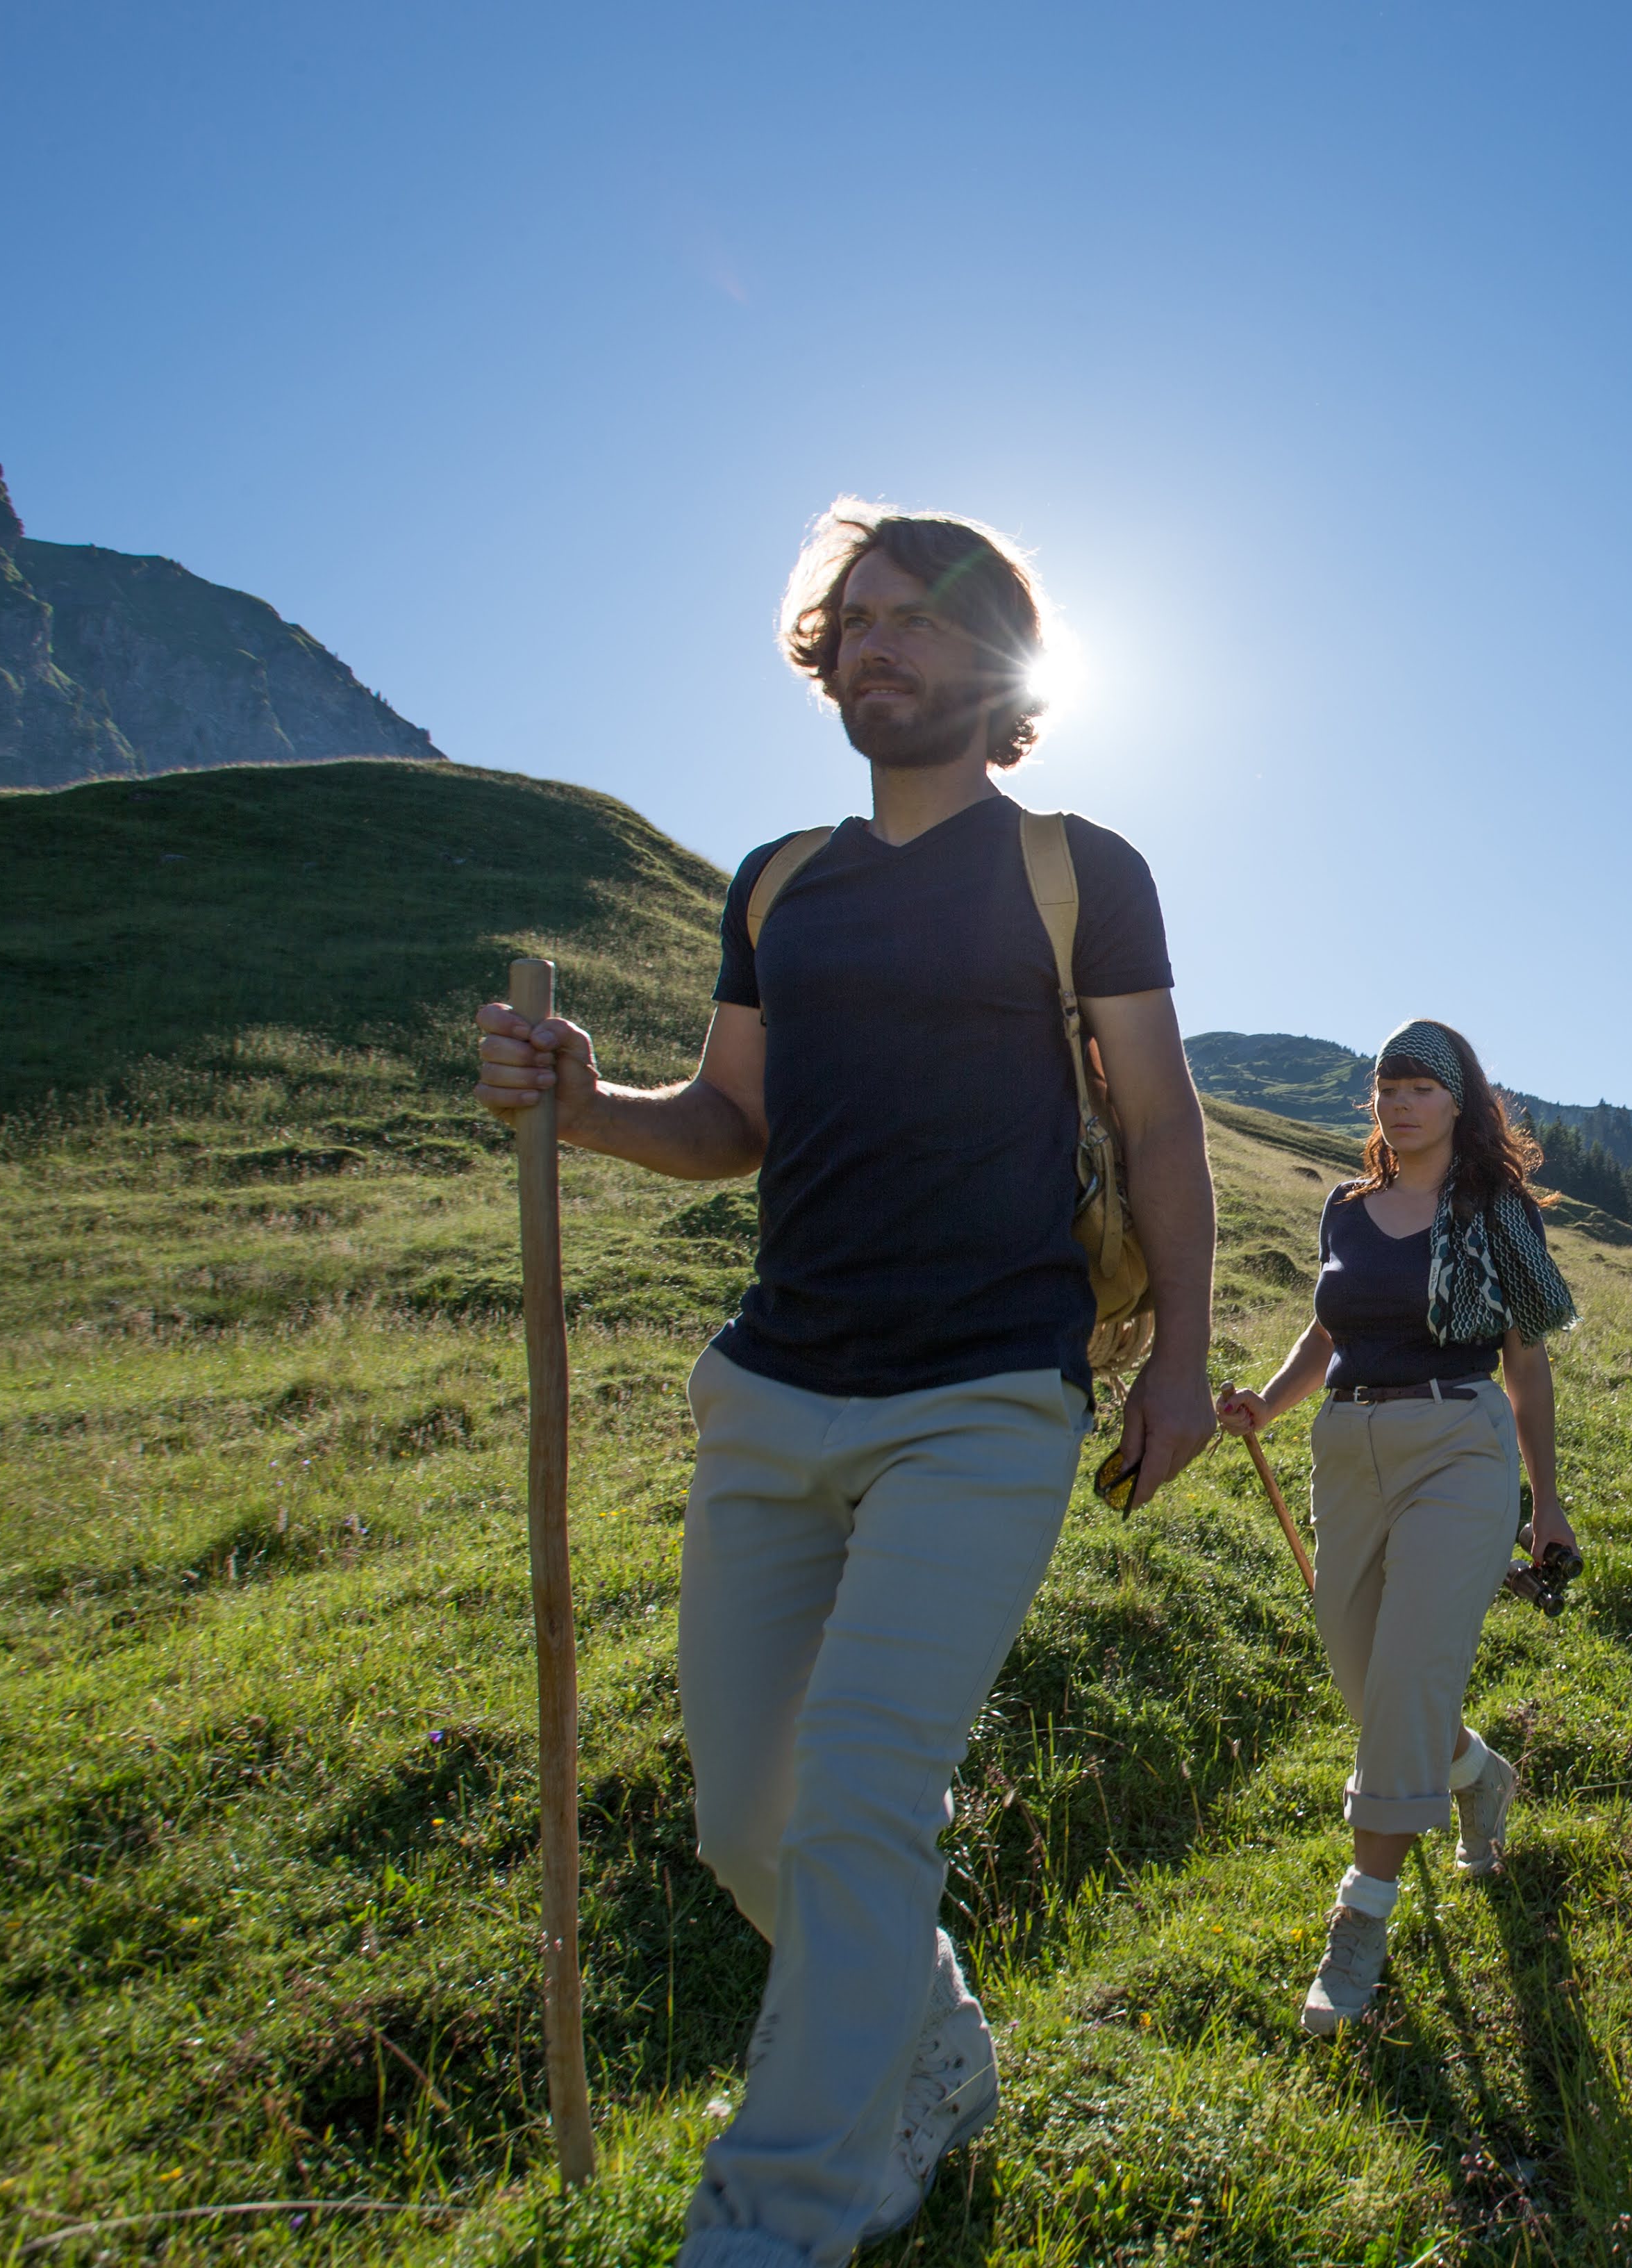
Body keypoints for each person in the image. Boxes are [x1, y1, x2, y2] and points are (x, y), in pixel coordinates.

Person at [474, 502, 1216, 2267]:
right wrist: (582, 1096)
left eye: (923, 617)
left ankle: (775, 2214)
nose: (880, 639)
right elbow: (729, 1120)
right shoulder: (777, 883)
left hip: (984, 1399)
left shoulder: (1074, 867)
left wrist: (1183, 1354)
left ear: (1001, 661)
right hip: (774, 1390)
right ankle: (935, 2042)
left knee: (868, 1792)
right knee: (752, 1820)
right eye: (857, 616)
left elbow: (1165, 1115)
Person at [1214, 1018, 1579, 2035]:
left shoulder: (1496, 1212)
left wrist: (1544, 1499)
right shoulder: (1344, 1207)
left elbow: (1527, 1360)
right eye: (1387, 1083)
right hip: (1348, 1447)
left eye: (1422, 1084)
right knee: (1367, 1683)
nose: (1401, 1099)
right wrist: (1267, 1404)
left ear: (1460, 1103)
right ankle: (1473, 1771)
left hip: (1459, 1446)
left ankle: (1359, 1920)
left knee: (1410, 1672)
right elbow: (1325, 1328)